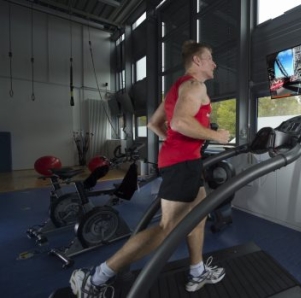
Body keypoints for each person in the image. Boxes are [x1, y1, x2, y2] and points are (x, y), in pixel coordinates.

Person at [69, 40, 231, 298]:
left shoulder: (176, 88)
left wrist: (173, 141)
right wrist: (216, 136)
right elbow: (178, 121)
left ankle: (197, 271)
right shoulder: (195, 85)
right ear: (197, 61)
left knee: (198, 216)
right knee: (167, 228)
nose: (214, 63)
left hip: (182, 161)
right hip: (183, 164)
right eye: (210, 57)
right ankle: (95, 277)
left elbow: (155, 124)